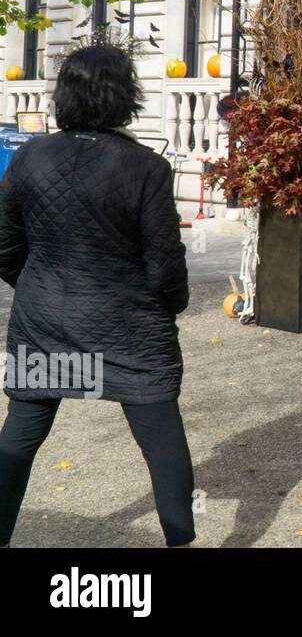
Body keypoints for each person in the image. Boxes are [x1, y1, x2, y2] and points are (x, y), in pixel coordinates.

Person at [0, 44, 194, 548]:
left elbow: (5, 246)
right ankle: (180, 541)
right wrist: (169, 305)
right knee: (161, 438)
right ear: (125, 95)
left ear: (63, 94)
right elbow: (165, 265)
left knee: (20, 435)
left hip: (46, 326)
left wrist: (40, 288)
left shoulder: (28, 157)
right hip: (128, 332)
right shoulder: (147, 167)